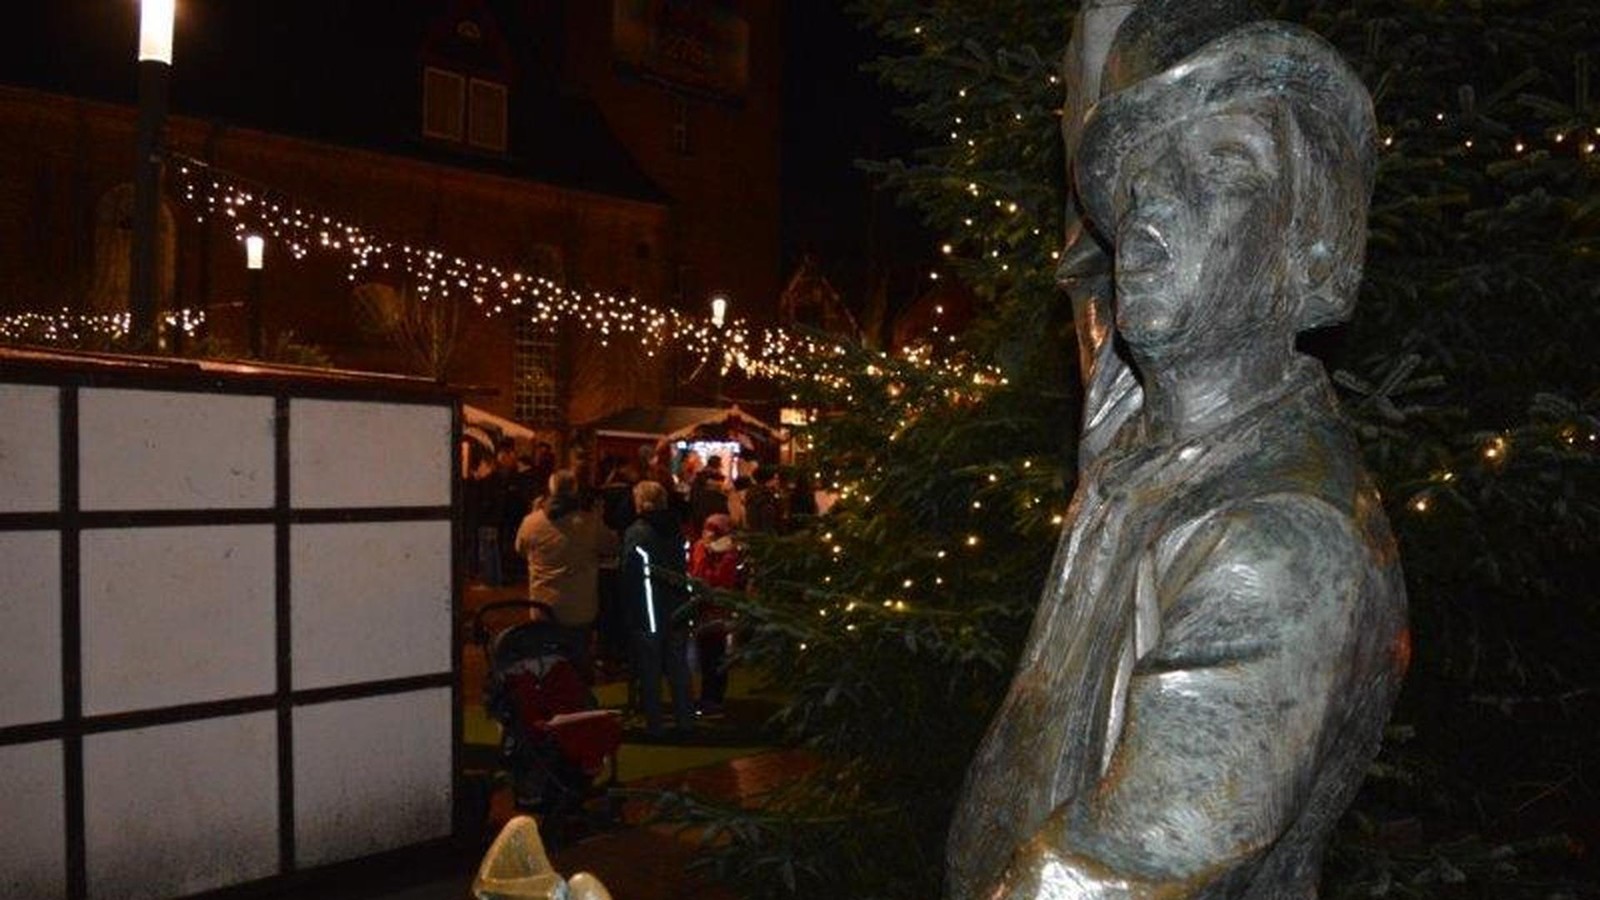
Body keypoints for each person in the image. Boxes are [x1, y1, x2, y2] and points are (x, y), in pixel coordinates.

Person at [945, 5, 1408, 898]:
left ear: (1312, 244)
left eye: (1224, 163)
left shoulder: (1278, 544)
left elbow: (1113, 874)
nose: (1155, 201)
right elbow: (1091, 254)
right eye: (1143, 173)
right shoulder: (1138, 438)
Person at [514, 469, 615, 681]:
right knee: (578, 662)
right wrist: (599, 517)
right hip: (579, 607)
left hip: (542, 606)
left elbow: (520, 549)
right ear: (575, 490)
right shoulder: (588, 523)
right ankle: (579, 706)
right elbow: (612, 545)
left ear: (550, 490)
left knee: (547, 664)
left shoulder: (531, 522)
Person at [619, 479, 694, 737]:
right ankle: (685, 719)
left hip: (648, 609)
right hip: (678, 606)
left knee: (650, 669)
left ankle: (655, 724)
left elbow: (629, 572)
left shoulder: (637, 532)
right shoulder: (676, 529)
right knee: (678, 666)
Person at [687, 512, 741, 718]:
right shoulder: (704, 549)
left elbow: (710, 580)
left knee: (713, 656)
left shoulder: (727, 554)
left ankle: (713, 699)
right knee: (707, 655)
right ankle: (710, 697)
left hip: (716, 613)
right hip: (705, 611)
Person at [742, 464, 784, 535]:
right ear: (768, 480)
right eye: (775, 478)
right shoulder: (764, 497)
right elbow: (767, 523)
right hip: (764, 538)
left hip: (757, 535)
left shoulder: (755, 493)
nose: (778, 481)